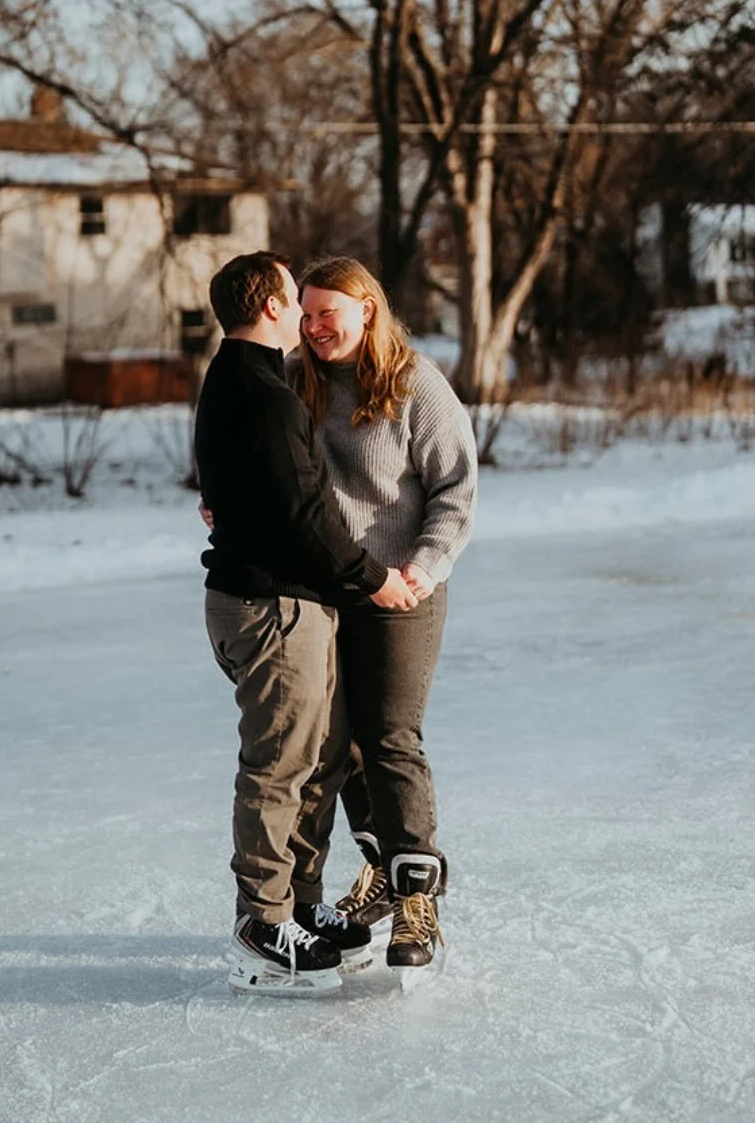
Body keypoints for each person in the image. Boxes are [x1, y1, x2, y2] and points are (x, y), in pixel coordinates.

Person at [194, 251, 418, 996]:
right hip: (270, 607)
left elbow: (252, 493)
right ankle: (263, 923)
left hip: (283, 601)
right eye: (295, 297)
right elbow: (305, 517)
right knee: (280, 766)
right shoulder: (264, 395)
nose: (304, 310)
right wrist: (373, 579)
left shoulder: (242, 382)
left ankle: (302, 905)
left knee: (318, 757)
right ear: (269, 306)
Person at [293, 255, 477, 980]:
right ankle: (380, 870)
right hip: (327, 590)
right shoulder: (296, 381)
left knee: (392, 736)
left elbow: (456, 490)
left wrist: (421, 570)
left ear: (366, 309)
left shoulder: (414, 382)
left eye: (326, 313)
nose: (313, 327)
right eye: (304, 314)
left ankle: (417, 902)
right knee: (341, 749)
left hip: (403, 590)